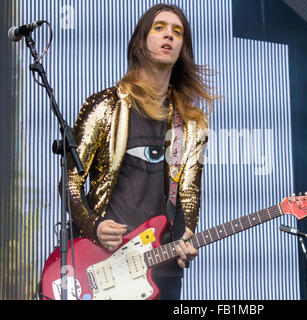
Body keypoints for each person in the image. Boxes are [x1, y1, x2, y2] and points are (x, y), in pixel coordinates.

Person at [65, 3, 215, 300]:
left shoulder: (192, 123)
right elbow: (69, 182)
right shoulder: (104, 106)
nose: (169, 36)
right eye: (159, 28)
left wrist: (185, 236)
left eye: (177, 32)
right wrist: (93, 226)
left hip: (161, 266)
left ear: (182, 48)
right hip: (104, 262)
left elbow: (188, 193)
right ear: (140, 42)